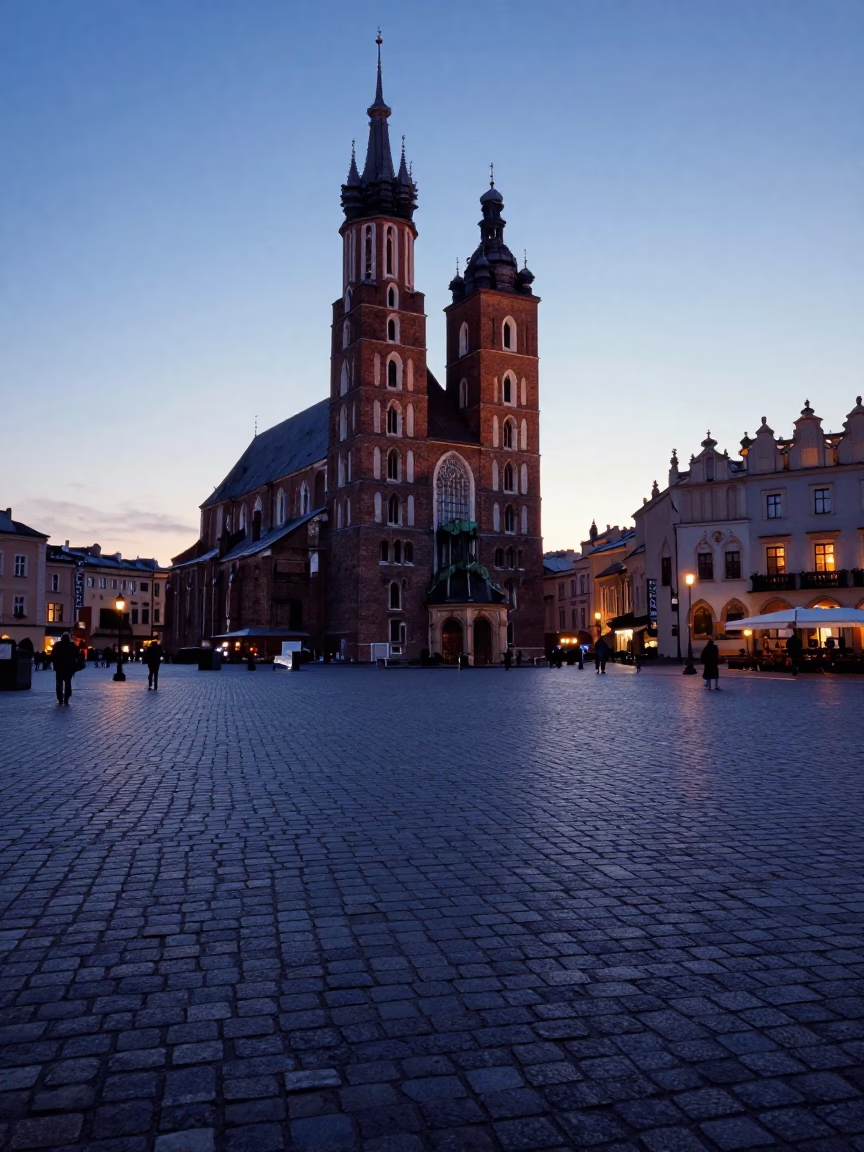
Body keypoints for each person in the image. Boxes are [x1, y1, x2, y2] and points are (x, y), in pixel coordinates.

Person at [52, 632, 78, 705]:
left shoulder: (57, 645)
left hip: (59, 668)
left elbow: (53, 656)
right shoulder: (72, 645)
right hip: (69, 668)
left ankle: (60, 699)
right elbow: (77, 655)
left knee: (59, 684)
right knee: (68, 683)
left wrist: (55, 665)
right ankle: (66, 699)